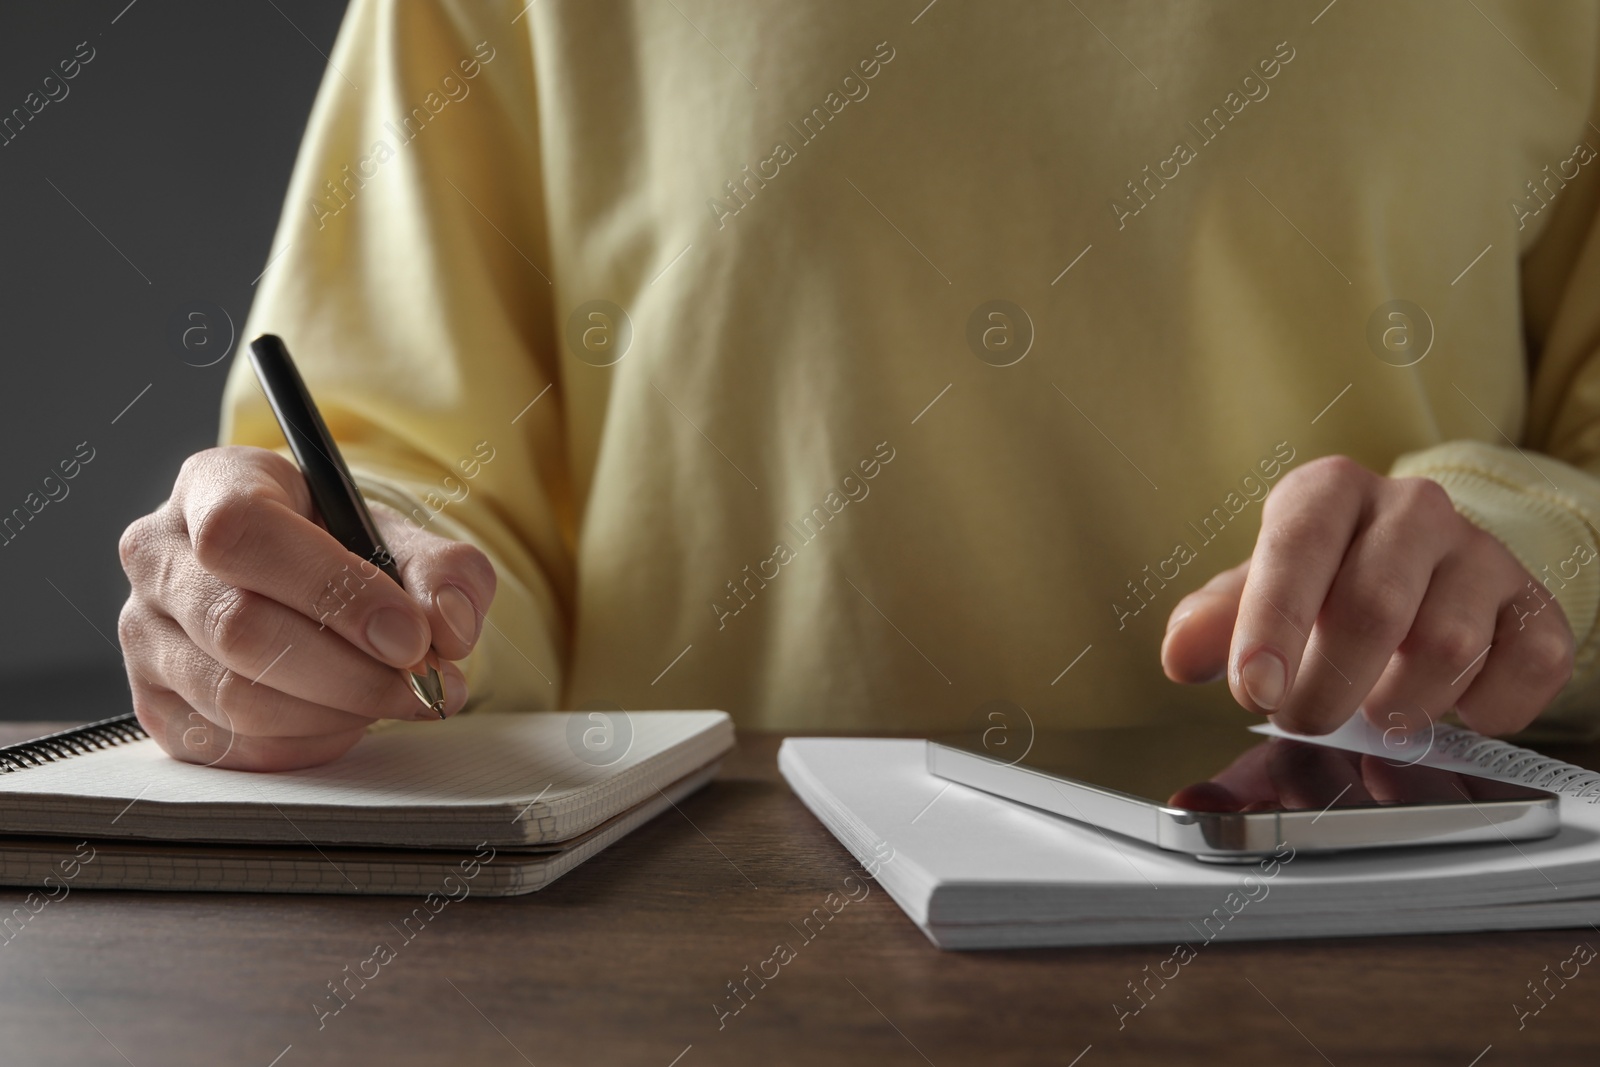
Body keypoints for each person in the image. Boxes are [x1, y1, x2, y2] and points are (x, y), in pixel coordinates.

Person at [117, 0, 1600, 770]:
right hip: (677, 963)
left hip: (1404, 934)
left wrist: (1513, 568)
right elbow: (419, 482)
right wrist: (318, 603)